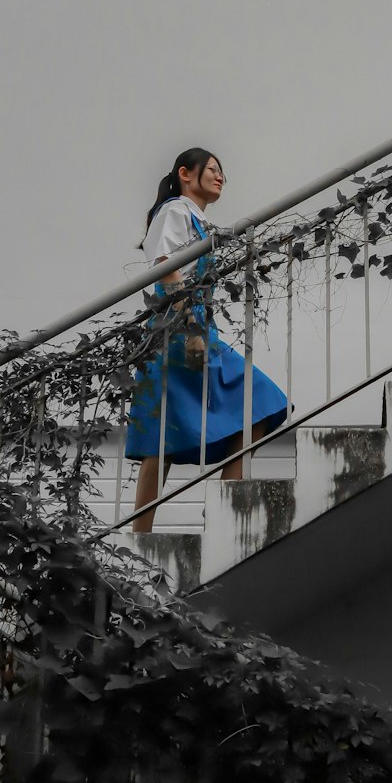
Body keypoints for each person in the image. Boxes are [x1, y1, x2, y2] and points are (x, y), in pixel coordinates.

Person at [126, 148, 288, 533]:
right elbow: (164, 265)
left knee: (253, 404)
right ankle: (144, 532)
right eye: (212, 170)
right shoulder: (176, 211)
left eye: (222, 172)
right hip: (177, 329)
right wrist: (192, 328)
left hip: (194, 328)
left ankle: (225, 508)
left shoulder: (199, 223)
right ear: (185, 173)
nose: (220, 178)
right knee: (163, 433)